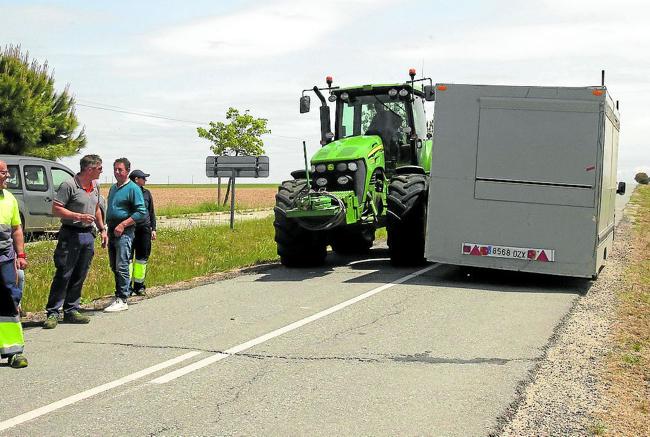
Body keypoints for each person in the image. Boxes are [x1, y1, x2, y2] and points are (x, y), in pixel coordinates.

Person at [43, 155, 107, 329]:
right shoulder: (69, 185)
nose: (102, 171)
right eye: (99, 168)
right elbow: (56, 208)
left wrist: (102, 229)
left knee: (80, 273)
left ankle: (71, 309)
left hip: (88, 235)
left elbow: (96, 208)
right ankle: (53, 312)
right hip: (70, 234)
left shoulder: (95, 186)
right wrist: (77, 216)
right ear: (89, 169)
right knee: (64, 273)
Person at [104, 158, 146, 312]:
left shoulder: (133, 188)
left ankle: (122, 298)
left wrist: (123, 224)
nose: (117, 172)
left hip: (124, 232)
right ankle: (119, 294)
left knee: (122, 264)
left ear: (127, 171)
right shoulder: (113, 188)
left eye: (120, 169)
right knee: (114, 265)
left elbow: (141, 212)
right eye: (115, 169)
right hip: (112, 230)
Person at [0, 159, 28, 368]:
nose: (6, 176)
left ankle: (14, 351)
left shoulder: (9, 198)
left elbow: (16, 229)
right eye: (3, 172)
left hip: (5, 258)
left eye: (6, 172)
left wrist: (21, 254)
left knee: (10, 299)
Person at [128, 169, 156, 296]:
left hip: (144, 230)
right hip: (130, 229)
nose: (145, 180)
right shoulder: (127, 192)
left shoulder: (147, 193)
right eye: (143, 178)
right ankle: (126, 287)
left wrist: (153, 229)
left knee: (141, 259)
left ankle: (139, 286)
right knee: (127, 260)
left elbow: (151, 212)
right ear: (136, 179)